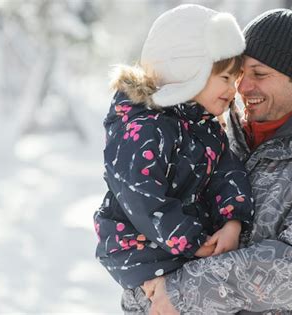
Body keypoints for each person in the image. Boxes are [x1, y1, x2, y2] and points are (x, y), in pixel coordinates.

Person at [122, 8, 292, 315]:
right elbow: (142, 220)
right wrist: (143, 296)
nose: (242, 87)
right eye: (240, 73)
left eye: (260, 74)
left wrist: (180, 291)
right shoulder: (213, 137)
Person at [93, 4, 254, 292]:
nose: (234, 90)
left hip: (184, 243)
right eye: (225, 78)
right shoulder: (144, 127)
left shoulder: (205, 127)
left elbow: (226, 174)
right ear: (188, 70)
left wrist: (233, 220)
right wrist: (191, 239)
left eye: (236, 79)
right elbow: (141, 196)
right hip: (138, 247)